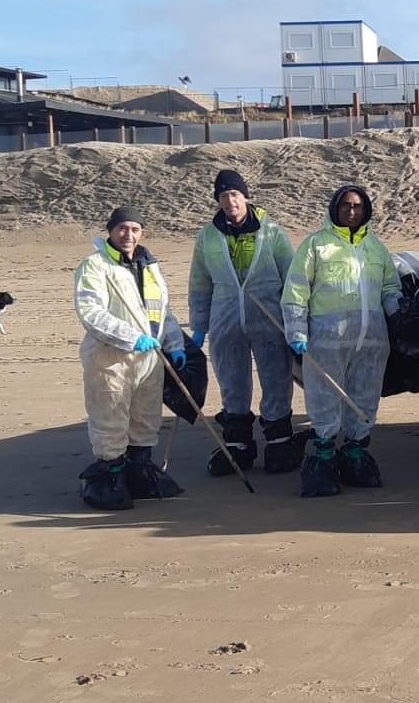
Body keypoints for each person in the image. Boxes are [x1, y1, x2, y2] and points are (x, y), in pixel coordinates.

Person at [281, 183, 405, 497]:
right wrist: (296, 331)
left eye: (358, 206)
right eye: (346, 206)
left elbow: (390, 287)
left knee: (363, 399)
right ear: (335, 208)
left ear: (366, 211)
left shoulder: (376, 248)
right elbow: (295, 292)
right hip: (326, 342)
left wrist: (399, 311)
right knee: (325, 398)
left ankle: (355, 453)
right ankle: (323, 457)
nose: (352, 211)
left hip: (371, 341)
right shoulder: (315, 246)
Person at [73, 207, 189, 510]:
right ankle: (111, 476)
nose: (129, 235)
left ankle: (139, 471)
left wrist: (173, 344)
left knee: (145, 418)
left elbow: (163, 313)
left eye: (135, 229)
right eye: (123, 228)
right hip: (110, 358)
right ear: (111, 230)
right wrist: (129, 336)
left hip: (149, 358)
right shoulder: (95, 266)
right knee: (110, 418)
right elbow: (91, 312)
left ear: (142, 233)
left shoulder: (149, 267)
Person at [186, 168, 298, 476]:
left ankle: (279, 441)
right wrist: (199, 323)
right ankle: (238, 444)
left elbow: (292, 277)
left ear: (245, 196)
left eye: (235, 195)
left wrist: (296, 320)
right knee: (231, 379)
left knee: (276, 377)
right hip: (225, 317)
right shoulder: (208, 235)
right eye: (223, 196)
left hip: (268, 316)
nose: (230, 202)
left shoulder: (271, 232)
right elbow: (199, 281)